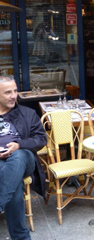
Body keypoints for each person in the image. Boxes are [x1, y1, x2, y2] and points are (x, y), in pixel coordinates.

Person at [0, 75, 47, 240]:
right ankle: (21, 237)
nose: (13, 95)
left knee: (18, 156)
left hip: (25, 158)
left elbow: (41, 139)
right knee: (13, 182)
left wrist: (19, 144)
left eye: (14, 91)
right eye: (7, 92)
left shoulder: (27, 113)